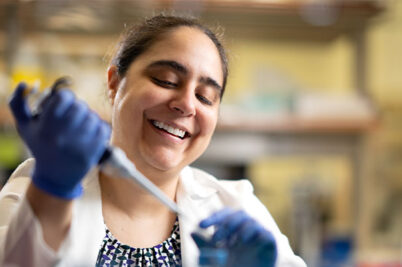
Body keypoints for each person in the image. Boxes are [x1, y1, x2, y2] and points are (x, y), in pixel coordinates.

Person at [0, 14, 306, 267]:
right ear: (114, 82)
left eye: (205, 96)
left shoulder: (237, 209)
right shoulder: (38, 189)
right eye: (166, 81)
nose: (186, 104)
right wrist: (52, 194)